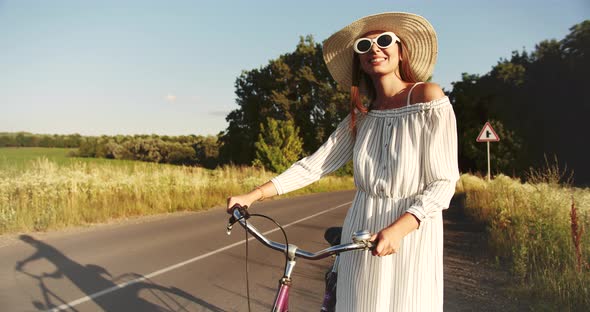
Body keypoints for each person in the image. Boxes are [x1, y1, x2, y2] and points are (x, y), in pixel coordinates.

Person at [227, 12, 459, 312]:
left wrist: (400, 229)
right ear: (358, 60)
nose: (375, 49)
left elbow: (443, 182)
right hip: (360, 228)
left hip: (410, 231)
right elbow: (313, 165)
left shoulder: (427, 98)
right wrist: (252, 195)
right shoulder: (361, 117)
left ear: (401, 51)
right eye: (364, 45)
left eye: (384, 41)